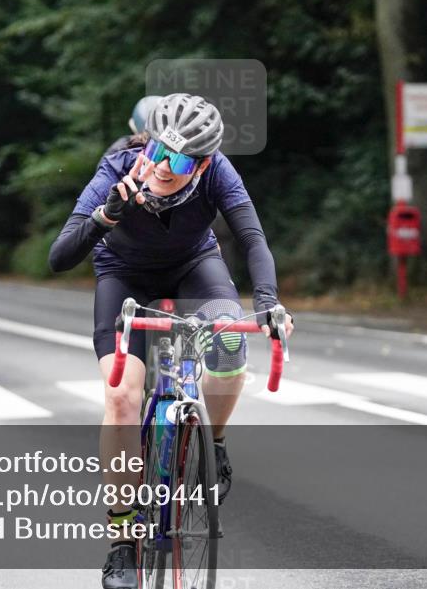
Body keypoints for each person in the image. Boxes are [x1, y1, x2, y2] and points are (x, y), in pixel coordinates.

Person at [48, 93, 293, 589]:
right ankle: (122, 542)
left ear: (202, 166)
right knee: (121, 397)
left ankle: (215, 441)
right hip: (124, 275)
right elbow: (59, 256)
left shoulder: (220, 172)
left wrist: (267, 303)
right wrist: (105, 216)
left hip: (193, 267)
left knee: (229, 344)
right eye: (159, 152)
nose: (164, 167)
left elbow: (252, 239)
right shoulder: (117, 167)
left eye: (180, 160)